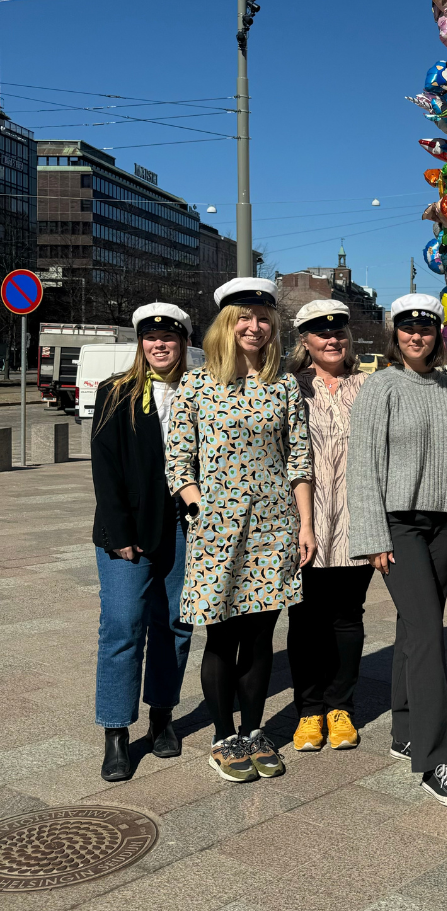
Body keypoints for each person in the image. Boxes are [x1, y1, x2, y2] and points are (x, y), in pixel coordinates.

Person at [167, 278, 316, 783]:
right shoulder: (198, 383)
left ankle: (254, 732)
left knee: (259, 637)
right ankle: (223, 737)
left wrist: (306, 526)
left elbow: (299, 459)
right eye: (243, 318)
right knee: (221, 636)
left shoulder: (283, 386)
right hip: (217, 530)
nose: (254, 327)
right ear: (226, 326)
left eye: (262, 317)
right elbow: (177, 459)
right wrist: (197, 505)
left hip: (275, 526)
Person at [347, 294, 447, 807]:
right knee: (427, 632)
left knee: (412, 626)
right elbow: (364, 464)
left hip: (444, 524)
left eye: (425, 328)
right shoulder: (381, 386)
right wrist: (372, 535)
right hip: (398, 524)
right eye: (407, 328)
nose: (417, 336)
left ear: (438, 334)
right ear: (394, 334)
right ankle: (437, 759)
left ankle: (404, 728)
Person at [92, 303, 195, 781]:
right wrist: (120, 533)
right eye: (151, 337)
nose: (160, 345)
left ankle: (162, 717)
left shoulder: (199, 390)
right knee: (123, 623)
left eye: (169, 337)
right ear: (140, 342)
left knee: (174, 624)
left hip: (183, 522)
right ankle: (116, 731)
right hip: (127, 526)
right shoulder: (117, 392)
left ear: (182, 342)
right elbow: (105, 467)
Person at [285, 299, 372, 753]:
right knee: (305, 618)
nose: (332, 339)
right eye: (320, 333)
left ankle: (341, 706)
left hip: (357, 522)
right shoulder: (290, 387)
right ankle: (309, 709)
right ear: (305, 341)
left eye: (339, 332)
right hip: (305, 523)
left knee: (347, 616)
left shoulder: (369, 386)